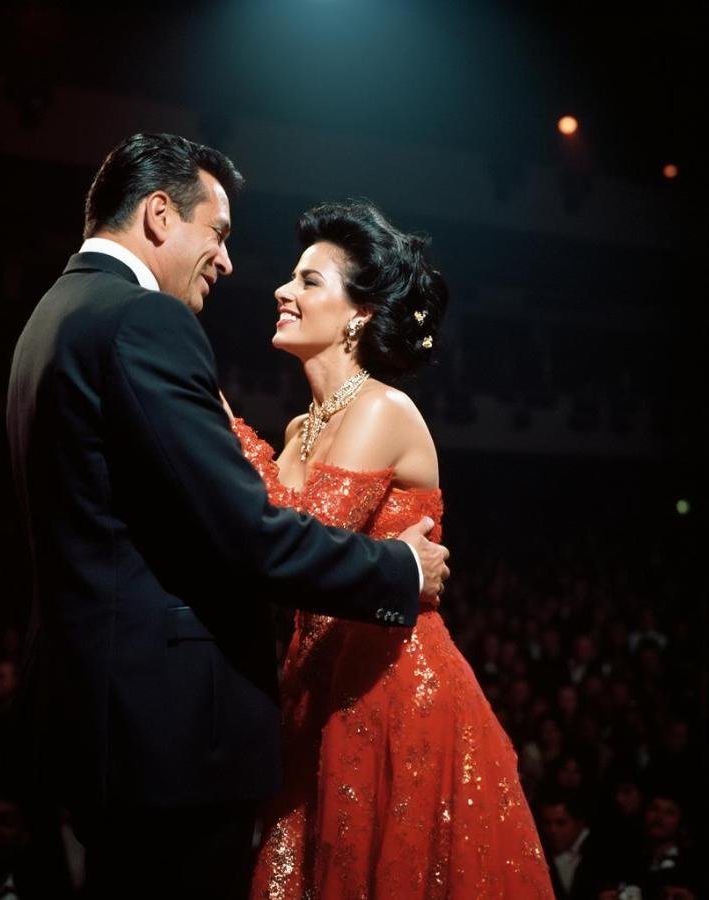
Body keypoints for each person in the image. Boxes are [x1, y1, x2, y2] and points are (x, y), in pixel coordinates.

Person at [5, 134, 450, 899]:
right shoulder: (143, 322)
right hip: (165, 734)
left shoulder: (52, 317)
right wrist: (400, 569)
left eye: (308, 278)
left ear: (358, 314)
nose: (232, 262)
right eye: (218, 233)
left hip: (118, 717)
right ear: (156, 215)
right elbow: (249, 532)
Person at [233, 201, 553, 898]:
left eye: (310, 281)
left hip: (393, 690)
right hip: (320, 687)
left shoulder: (382, 408)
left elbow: (306, 541)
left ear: (360, 314)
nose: (283, 292)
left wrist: (222, 430)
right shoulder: (297, 429)